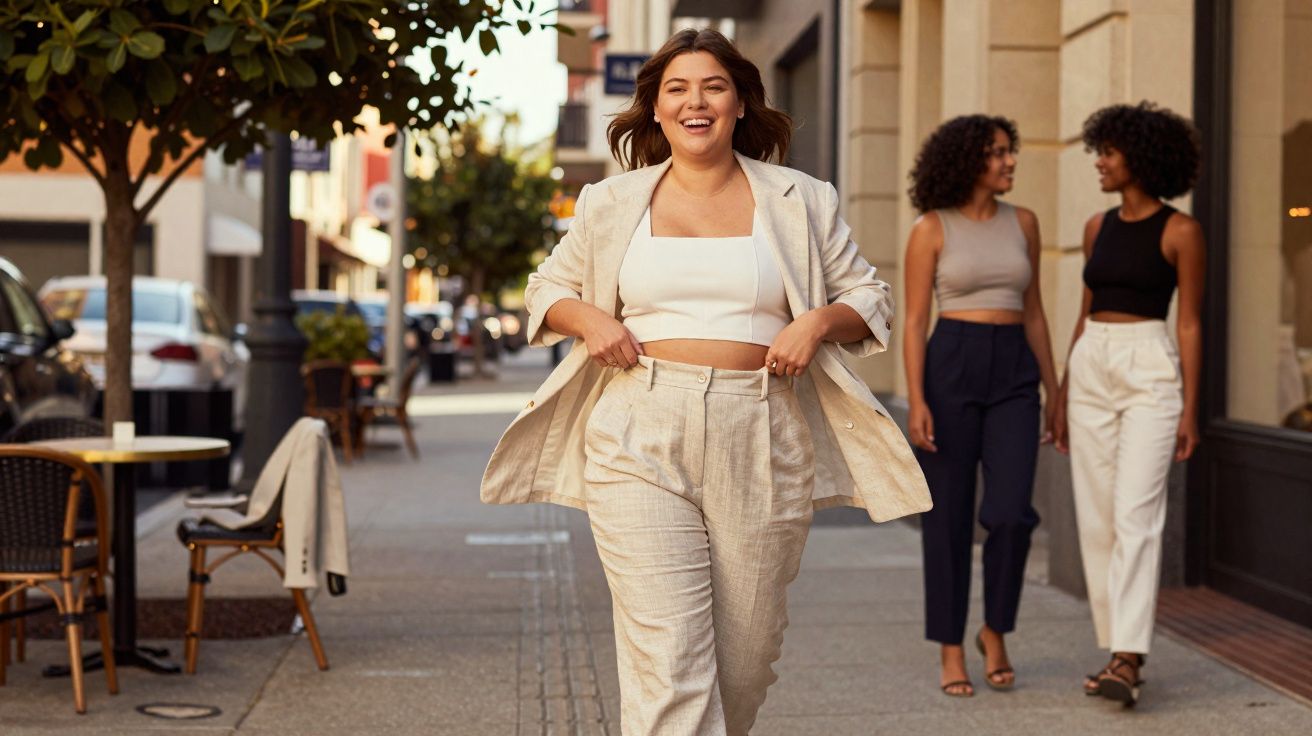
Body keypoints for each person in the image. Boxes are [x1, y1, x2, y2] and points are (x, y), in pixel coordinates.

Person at [481, 28, 931, 735]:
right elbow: (546, 290)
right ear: (657, 109)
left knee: (744, 664)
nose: (696, 102)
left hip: (762, 430)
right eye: (678, 89)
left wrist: (816, 322)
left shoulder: (800, 198)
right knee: (671, 662)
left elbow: (869, 296)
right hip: (638, 428)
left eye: (714, 87)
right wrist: (591, 321)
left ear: (740, 104)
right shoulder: (611, 201)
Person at [1053, 101, 1205, 707]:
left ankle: (1129, 655)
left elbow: (1189, 323)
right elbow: (1084, 313)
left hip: (1150, 369)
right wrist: (1064, 387)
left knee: (1137, 516)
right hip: (1093, 362)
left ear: (1140, 158)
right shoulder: (1097, 226)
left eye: (1109, 153)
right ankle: (1118, 650)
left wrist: (1190, 407)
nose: (1099, 162)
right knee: (1097, 519)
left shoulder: (1181, 232)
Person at [902, 116, 1059, 698]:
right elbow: (914, 321)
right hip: (951, 365)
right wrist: (917, 400)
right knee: (947, 517)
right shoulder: (931, 228)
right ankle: (950, 647)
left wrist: (1054, 390)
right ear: (968, 160)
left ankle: (994, 629)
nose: (1009, 161)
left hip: (1015, 369)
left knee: (1011, 512)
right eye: (997, 153)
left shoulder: (1025, 223)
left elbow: (1035, 310)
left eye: (1009, 151)